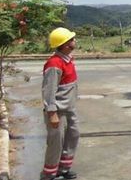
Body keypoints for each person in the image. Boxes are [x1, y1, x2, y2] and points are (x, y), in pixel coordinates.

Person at [40, 27, 80, 180]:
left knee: (72, 136)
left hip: (69, 109)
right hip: (58, 111)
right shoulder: (54, 64)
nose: (74, 41)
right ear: (65, 44)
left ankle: (63, 169)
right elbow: (49, 90)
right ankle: (49, 174)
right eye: (71, 39)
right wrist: (52, 113)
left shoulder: (67, 60)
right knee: (56, 143)